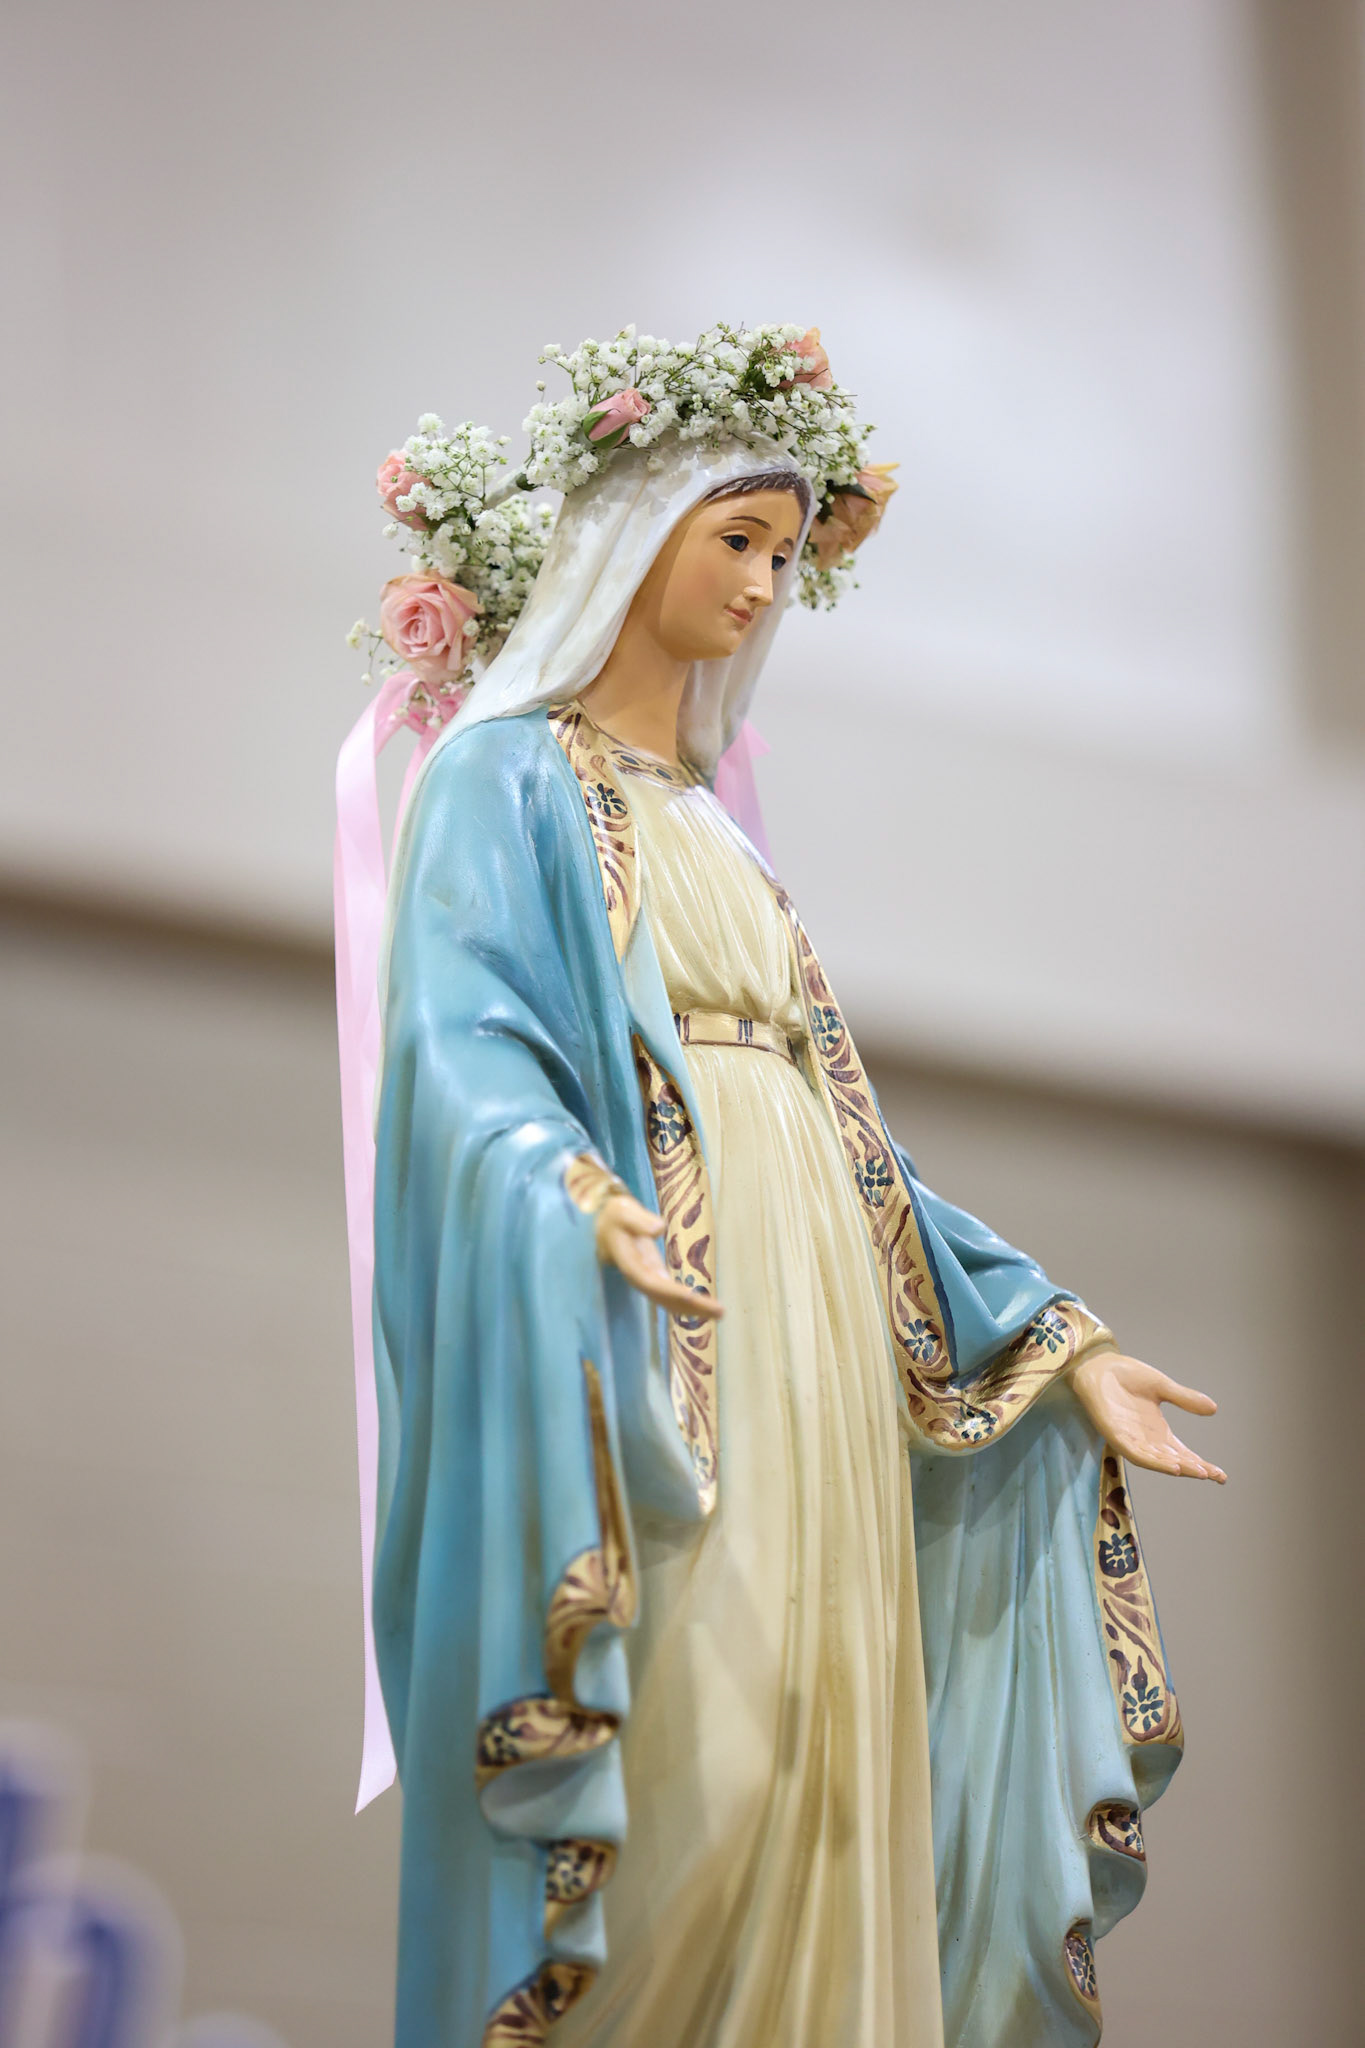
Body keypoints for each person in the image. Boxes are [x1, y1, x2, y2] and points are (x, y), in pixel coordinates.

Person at [341, 327, 1223, 2048]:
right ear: (627, 534)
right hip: (663, 1315)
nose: (761, 585)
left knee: (828, 1732)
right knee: (709, 1737)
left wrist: (1048, 1338)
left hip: (810, 1298)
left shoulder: (707, 824)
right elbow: (459, 1035)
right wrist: (561, 1185)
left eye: (781, 552)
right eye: (733, 539)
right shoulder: (507, 774)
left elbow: (852, 1142)